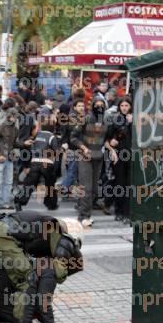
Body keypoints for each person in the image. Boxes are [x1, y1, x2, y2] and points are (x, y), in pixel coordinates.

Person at [70, 96, 109, 227]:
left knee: (93, 189)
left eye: (101, 105)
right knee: (86, 188)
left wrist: (112, 150)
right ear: (92, 106)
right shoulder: (85, 119)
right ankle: (82, 217)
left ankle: (86, 215)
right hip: (85, 157)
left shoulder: (106, 121)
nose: (99, 107)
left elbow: (106, 139)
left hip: (99, 158)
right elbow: (73, 137)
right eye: (97, 105)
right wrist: (83, 147)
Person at [0, 108, 29, 211]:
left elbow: (14, 143)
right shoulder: (0, 126)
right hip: (0, 158)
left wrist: (24, 144)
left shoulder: (14, 128)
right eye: (14, 116)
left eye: (16, 117)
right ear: (9, 116)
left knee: (8, 181)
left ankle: (4, 202)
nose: (15, 118)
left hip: (9, 158)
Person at [14, 120, 60, 211]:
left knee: (29, 184)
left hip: (35, 162)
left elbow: (28, 148)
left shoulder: (36, 136)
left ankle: (19, 202)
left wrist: (27, 165)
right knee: (50, 185)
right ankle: (51, 204)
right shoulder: (52, 137)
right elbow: (56, 151)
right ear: (53, 128)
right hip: (47, 163)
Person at [105, 97, 132, 224]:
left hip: (132, 156)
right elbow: (107, 140)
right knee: (119, 184)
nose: (125, 108)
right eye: (122, 106)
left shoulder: (135, 119)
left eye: (127, 105)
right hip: (119, 157)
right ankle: (119, 211)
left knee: (129, 185)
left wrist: (131, 123)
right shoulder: (115, 120)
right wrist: (112, 150)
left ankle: (127, 213)